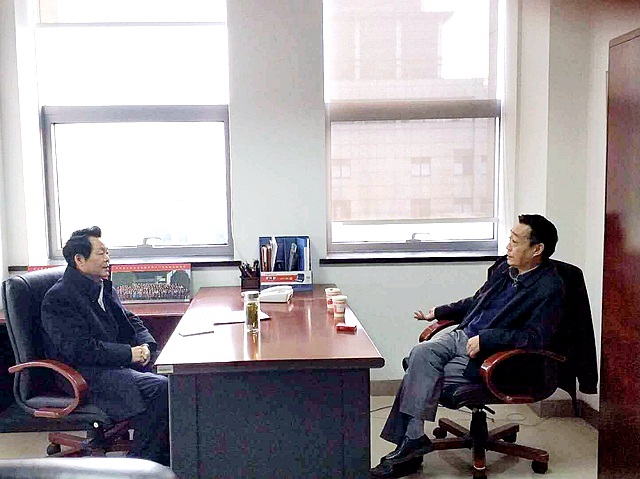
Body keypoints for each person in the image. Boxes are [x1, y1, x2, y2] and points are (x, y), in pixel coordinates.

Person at [371, 214, 564, 478]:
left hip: (491, 355)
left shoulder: (549, 288)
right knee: (421, 354)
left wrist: (488, 338)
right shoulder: (505, 268)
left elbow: (535, 337)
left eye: (515, 242)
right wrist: (439, 311)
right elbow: (477, 301)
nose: (508, 247)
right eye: (509, 239)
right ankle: (413, 441)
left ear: (537, 249)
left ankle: (411, 447)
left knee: (420, 373)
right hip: (463, 335)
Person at [40, 226, 169, 466]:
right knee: (160, 388)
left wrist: (146, 345)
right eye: (101, 253)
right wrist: (129, 354)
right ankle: (140, 465)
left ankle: (173, 455)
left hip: (112, 363)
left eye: (107, 252)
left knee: (175, 370)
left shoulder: (101, 285)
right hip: (83, 373)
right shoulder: (59, 298)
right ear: (79, 260)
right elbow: (80, 349)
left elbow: (130, 320)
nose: (107, 258)